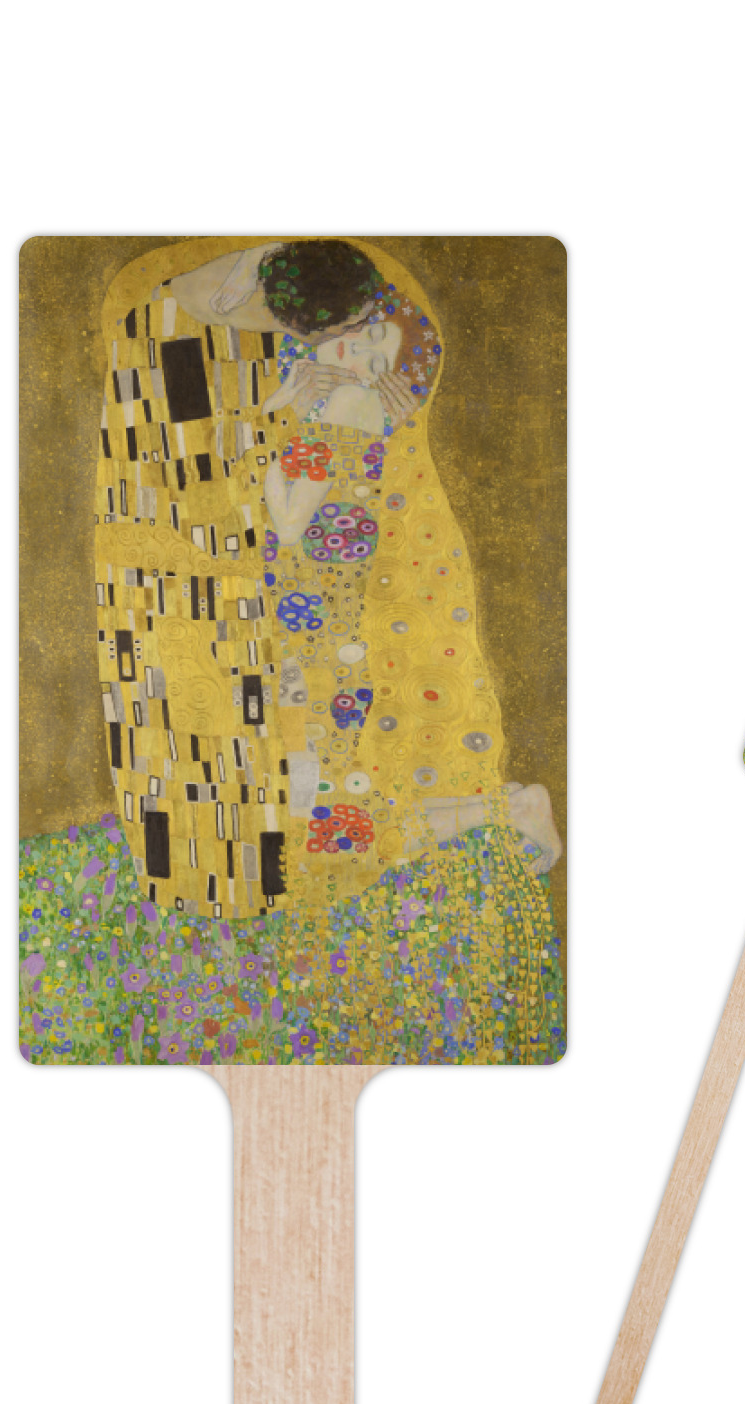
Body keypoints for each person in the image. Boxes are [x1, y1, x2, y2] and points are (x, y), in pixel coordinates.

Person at [91, 239, 562, 927]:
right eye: (344, 338)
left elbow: (276, 511)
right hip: (249, 599)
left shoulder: (339, 406)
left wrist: (290, 420)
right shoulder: (180, 333)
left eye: (365, 340)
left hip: (295, 614)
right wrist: (284, 416)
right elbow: (191, 475)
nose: (350, 349)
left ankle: (500, 810)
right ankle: (503, 809)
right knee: (295, 792)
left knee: (310, 799)